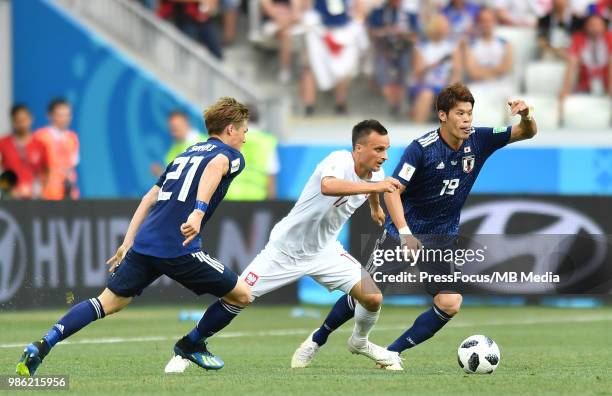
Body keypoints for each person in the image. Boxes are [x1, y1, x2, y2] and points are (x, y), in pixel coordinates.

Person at [299, 83, 537, 371]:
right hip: (404, 235)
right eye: (460, 113)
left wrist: (525, 116)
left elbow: (527, 132)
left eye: (470, 113)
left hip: (442, 239)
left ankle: (393, 352)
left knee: (450, 302)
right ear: (442, 115)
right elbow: (392, 190)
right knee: (367, 292)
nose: (467, 120)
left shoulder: (480, 139)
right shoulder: (421, 149)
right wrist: (404, 232)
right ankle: (317, 338)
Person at [16, 97, 252, 376]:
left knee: (108, 302)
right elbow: (216, 167)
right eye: (244, 130)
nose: (245, 137)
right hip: (179, 247)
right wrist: (199, 212)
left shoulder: (185, 153)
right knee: (241, 295)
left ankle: (43, 345)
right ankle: (191, 344)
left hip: (145, 243)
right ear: (229, 130)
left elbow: (149, 197)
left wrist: (127, 242)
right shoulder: (230, 154)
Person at [167, 120, 404, 371]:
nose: (385, 156)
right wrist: (376, 187)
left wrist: (375, 206)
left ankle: (360, 342)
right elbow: (328, 186)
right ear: (358, 148)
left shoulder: (375, 174)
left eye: (386, 149)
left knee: (373, 297)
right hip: (284, 250)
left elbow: (373, 188)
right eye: (378, 149)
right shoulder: (339, 160)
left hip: (325, 251)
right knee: (238, 297)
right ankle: (187, 347)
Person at [409, 13, 462, 123]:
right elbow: (418, 73)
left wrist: (451, 88)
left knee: (454, 98)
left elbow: (456, 72)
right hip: (425, 85)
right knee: (426, 95)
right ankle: (417, 127)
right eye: (444, 26)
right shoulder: (421, 48)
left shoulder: (452, 47)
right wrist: (434, 64)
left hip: (446, 86)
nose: (447, 29)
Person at [225, 105, 279, 200]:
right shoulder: (267, 142)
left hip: (229, 200)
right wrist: (271, 204)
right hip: (256, 201)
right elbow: (271, 176)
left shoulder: (229, 138)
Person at [34, 98, 80, 200]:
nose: (64, 118)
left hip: (68, 194)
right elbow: (34, 167)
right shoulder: (40, 136)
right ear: (50, 116)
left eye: (67, 115)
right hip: (46, 194)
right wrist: (37, 190)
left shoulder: (73, 137)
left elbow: (72, 165)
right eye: (60, 115)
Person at [0, 104, 48, 199]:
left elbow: (46, 172)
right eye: (18, 121)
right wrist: (8, 190)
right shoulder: (3, 143)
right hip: (10, 198)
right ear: (13, 121)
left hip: (35, 197)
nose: (22, 124)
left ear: (31, 119)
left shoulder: (40, 145)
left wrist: (40, 190)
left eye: (25, 119)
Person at [465, 8, 514, 99]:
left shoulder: (505, 44)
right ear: (478, 23)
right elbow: (473, 73)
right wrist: (496, 70)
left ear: (495, 22)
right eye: (483, 21)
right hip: (478, 87)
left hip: (502, 86)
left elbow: (506, 68)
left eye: (489, 20)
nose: (486, 24)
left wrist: (482, 70)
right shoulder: (471, 45)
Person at [560, 13, 612, 98]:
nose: (595, 28)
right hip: (585, 85)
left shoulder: (610, 37)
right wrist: (565, 89)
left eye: (598, 24)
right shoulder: (578, 38)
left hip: (607, 84)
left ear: (604, 26)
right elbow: (572, 63)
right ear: (585, 26)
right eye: (592, 24)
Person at [158, 0, 224, 59]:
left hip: (205, 20)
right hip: (186, 19)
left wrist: (211, 6)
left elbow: (213, 5)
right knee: (185, 51)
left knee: (217, 53)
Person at [151, 110, 206, 177]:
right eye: (171, 128)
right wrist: (161, 173)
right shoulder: (172, 150)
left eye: (176, 127)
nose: (173, 132)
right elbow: (174, 179)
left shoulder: (205, 143)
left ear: (186, 123)